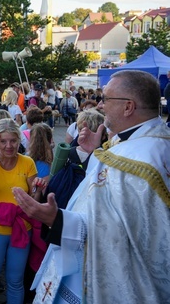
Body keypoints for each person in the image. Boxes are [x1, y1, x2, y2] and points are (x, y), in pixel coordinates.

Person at [14, 70, 170, 303]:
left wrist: (57, 221)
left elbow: (127, 234)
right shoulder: (138, 140)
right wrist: (92, 155)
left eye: (106, 99)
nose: (101, 105)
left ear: (128, 107)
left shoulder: (144, 161)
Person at [0, 119, 45, 304]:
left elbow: (33, 200)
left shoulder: (27, 162)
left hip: (21, 229)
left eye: (13, 140)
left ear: (19, 140)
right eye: (3, 141)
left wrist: (39, 189)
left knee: (15, 281)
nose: (9, 146)